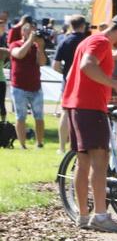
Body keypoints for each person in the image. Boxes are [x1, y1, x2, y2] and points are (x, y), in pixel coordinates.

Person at [61, 14, 117, 232]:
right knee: (100, 160)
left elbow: (80, 71)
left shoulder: (89, 40)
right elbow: (87, 66)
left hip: (76, 105)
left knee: (83, 162)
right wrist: (116, 86)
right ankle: (101, 216)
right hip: (90, 107)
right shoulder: (101, 42)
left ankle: (83, 216)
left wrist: (109, 81)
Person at [53, 15, 91, 152]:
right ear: (83, 26)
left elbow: (56, 66)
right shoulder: (87, 41)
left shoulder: (64, 41)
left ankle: (62, 147)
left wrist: (65, 73)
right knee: (84, 114)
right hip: (85, 81)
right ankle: (81, 145)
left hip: (68, 82)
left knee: (65, 113)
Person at [9, 15, 48, 148]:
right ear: (23, 32)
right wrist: (30, 41)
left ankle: (40, 143)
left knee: (39, 117)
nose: (32, 33)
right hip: (19, 87)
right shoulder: (15, 44)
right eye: (29, 31)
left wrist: (40, 47)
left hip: (36, 87)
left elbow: (42, 62)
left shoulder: (36, 46)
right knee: (21, 117)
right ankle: (22, 144)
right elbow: (19, 54)